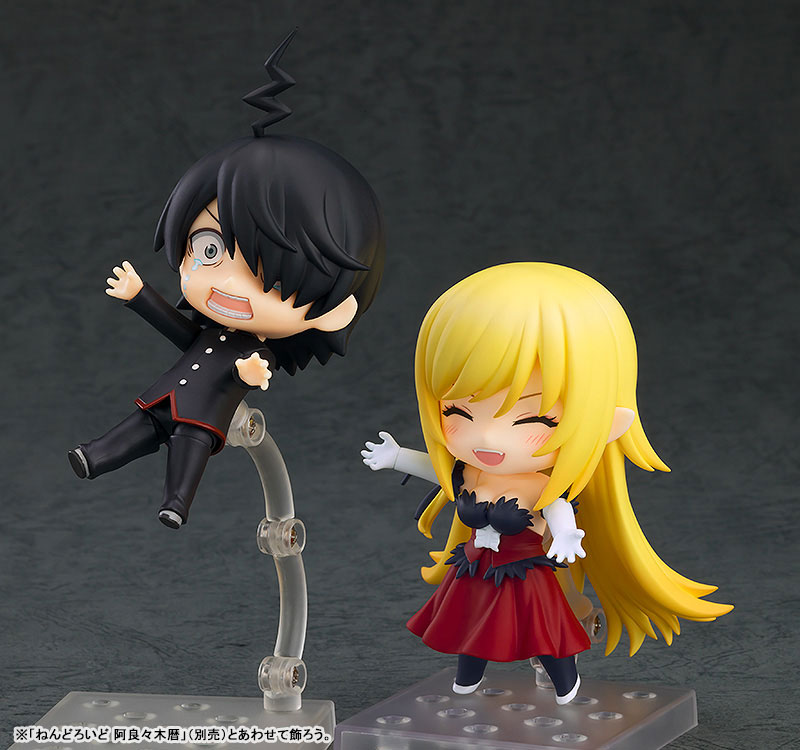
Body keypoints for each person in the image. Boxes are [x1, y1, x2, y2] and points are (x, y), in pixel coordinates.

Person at [363, 262, 731, 703]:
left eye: (533, 419)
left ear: (605, 422)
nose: (488, 437)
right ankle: (468, 677)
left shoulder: (538, 486)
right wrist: (396, 457)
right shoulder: (472, 474)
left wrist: (567, 534)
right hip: (477, 568)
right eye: (458, 412)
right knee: (468, 621)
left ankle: (565, 682)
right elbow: (440, 474)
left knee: (542, 630)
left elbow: (557, 505)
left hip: (524, 574)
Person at [70, 31, 385, 529]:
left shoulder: (258, 349)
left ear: (334, 311)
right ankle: (95, 456)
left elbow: (244, 373)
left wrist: (250, 375)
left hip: (205, 415)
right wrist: (139, 296)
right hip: (165, 395)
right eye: (209, 250)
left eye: (268, 276)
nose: (228, 286)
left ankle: (176, 502)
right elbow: (179, 331)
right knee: (138, 428)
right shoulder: (209, 328)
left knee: (188, 451)